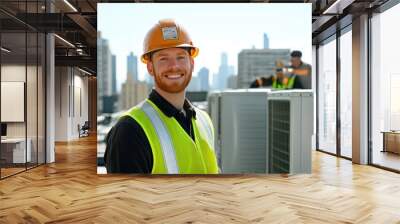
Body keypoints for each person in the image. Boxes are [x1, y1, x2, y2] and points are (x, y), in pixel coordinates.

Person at [104, 19, 219, 174]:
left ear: (192, 63)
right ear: (150, 67)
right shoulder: (129, 131)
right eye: (163, 58)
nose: (174, 66)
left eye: (180, 57)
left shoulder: (205, 121)